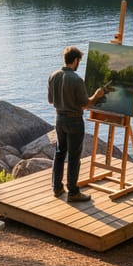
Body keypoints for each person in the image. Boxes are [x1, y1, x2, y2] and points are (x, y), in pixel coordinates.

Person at [47, 45, 105, 202]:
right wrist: (96, 95)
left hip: (59, 119)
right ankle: (73, 192)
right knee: (73, 157)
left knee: (59, 153)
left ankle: (57, 188)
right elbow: (85, 105)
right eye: (79, 60)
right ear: (75, 60)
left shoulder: (53, 76)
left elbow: (51, 101)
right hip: (74, 121)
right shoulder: (77, 80)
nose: (79, 63)